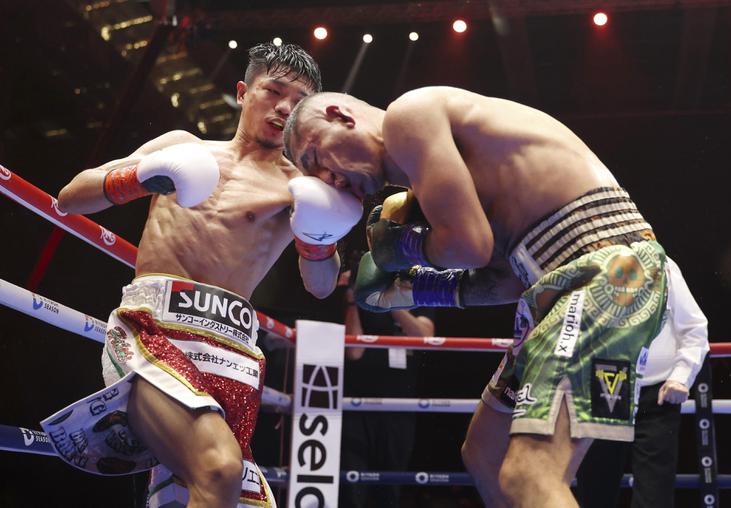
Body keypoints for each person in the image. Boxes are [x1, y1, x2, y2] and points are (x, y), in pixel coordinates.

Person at [282, 87, 669, 507]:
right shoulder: (439, 182)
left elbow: (469, 246)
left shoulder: (408, 115)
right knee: (485, 453)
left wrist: (404, 249)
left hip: (608, 271)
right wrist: (416, 287)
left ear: (339, 115)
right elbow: (508, 280)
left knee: (530, 473)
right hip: (556, 287)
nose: (328, 180)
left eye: (314, 158)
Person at [40, 43, 363, 508]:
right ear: (243, 92)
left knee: (205, 493)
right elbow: (71, 198)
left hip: (232, 354)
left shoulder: (300, 188)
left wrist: (319, 239)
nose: (284, 108)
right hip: (150, 332)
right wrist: (140, 176)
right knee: (218, 470)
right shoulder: (181, 146)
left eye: (299, 103)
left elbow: (320, 285)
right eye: (274, 91)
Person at [575, 256, 709, 508]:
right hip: (605, 385)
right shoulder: (589, 263)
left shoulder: (663, 265)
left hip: (659, 394)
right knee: (595, 492)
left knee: (655, 495)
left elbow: (694, 327)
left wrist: (681, 376)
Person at [337, 265, 435, 508]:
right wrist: (352, 300)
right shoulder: (364, 295)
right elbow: (354, 352)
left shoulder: (421, 292)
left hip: (400, 409)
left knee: (390, 490)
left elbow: (425, 339)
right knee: (353, 488)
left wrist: (391, 300)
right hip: (357, 405)